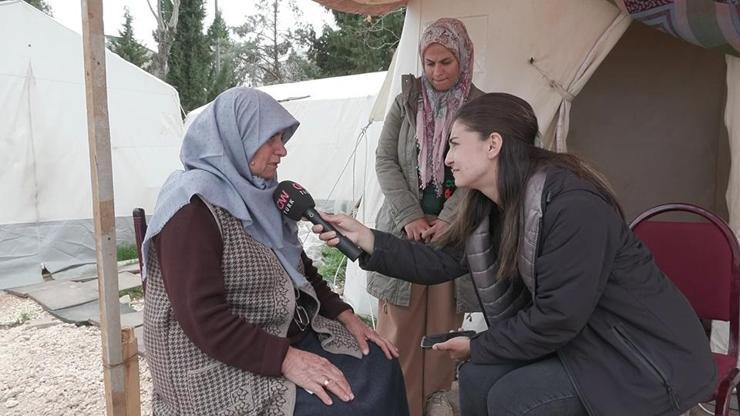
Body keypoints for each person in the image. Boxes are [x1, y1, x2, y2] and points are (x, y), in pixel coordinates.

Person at [313, 93, 717, 416]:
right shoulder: (490, 206)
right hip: (581, 343)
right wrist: (366, 238)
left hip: (638, 357)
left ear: (493, 144)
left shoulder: (572, 205)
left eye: (454, 144)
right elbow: (439, 261)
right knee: (476, 380)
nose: (446, 157)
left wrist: (478, 344)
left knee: (514, 398)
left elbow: (559, 317)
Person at [141, 87, 409, 416]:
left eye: (282, 138)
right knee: (345, 408)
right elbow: (203, 318)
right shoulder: (190, 209)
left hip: (282, 330)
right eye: (270, 138)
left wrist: (345, 314)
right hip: (213, 357)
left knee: (380, 363)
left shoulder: (263, 192)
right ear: (236, 137)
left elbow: (300, 268)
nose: (282, 150)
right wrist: (285, 359)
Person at [371, 17, 485, 416]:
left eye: (446, 62)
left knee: (441, 332)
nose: (437, 72)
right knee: (398, 329)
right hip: (406, 234)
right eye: (430, 62)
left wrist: (450, 219)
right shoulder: (407, 101)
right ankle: (397, 407)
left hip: (451, 238)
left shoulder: (481, 109)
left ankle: (436, 405)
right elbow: (386, 160)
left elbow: (483, 170)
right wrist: (409, 216)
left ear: (464, 59)